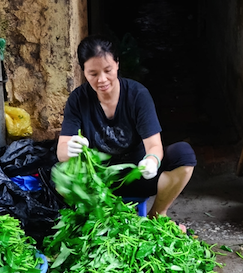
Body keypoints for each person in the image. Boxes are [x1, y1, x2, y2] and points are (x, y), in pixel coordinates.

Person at [56, 35, 196, 221]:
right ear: (83, 71)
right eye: (93, 74)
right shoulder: (78, 100)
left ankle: (157, 215)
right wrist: (70, 148)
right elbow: (61, 151)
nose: (102, 80)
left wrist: (152, 160)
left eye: (108, 70)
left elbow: (155, 145)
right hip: (99, 183)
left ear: (117, 64)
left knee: (183, 155)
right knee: (58, 172)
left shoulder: (137, 95)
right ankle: (98, 220)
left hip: (137, 175)